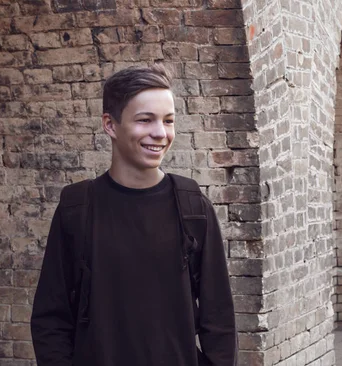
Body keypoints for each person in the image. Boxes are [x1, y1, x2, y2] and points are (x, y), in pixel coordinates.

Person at [30, 64, 237, 366]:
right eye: (145, 120)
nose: (160, 133)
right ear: (110, 125)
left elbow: (219, 321)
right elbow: (51, 319)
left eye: (168, 121)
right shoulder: (77, 209)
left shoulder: (194, 208)